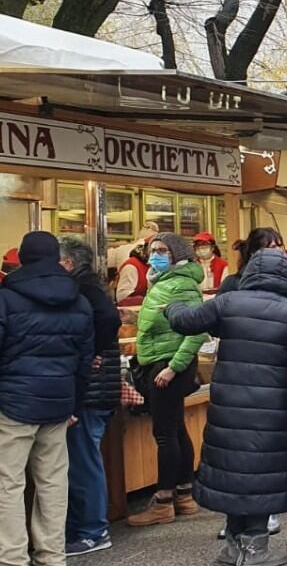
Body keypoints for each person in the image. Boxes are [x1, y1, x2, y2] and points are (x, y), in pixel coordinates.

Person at [161, 248, 287, 565]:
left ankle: (233, 545)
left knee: (231, 468)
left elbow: (186, 321)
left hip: (228, 404)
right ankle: (255, 549)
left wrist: (171, 306)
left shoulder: (229, 302)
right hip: (273, 406)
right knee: (261, 470)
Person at [0, 231, 95, 565]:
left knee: (7, 484)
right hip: (59, 404)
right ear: (57, 258)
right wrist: (75, 403)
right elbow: (85, 360)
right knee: (54, 482)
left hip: (12, 404)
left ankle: (11, 558)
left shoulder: (6, 299)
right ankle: (52, 556)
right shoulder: (79, 301)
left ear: (22, 259)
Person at [127, 233, 206, 528]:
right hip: (161, 360)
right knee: (176, 428)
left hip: (167, 365)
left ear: (177, 254)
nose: (155, 255)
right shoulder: (161, 280)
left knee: (164, 433)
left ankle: (163, 501)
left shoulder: (182, 284)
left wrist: (173, 367)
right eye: (152, 250)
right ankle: (184, 495)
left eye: (162, 250)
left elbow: (196, 330)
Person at [59, 237, 121, 557]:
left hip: (92, 389)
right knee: (82, 459)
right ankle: (84, 527)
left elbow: (111, 320)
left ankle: (93, 530)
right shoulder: (87, 284)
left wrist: (91, 352)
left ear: (68, 262)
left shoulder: (83, 288)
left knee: (84, 461)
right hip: (97, 386)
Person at [115, 223, 159, 306]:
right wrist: (149, 300)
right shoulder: (132, 266)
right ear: (147, 249)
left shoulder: (154, 266)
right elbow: (122, 297)